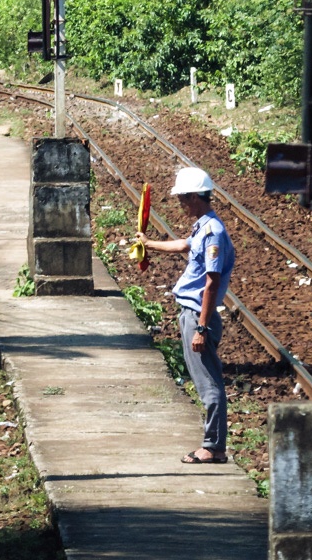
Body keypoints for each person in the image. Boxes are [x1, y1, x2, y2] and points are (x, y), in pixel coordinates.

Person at [131, 165, 235, 463]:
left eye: (182, 199)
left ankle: (214, 447)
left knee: (208, 383)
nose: (180, 204)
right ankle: (213, 444)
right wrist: (148, 244)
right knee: (206, 379)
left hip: (197, 316)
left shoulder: (213, 233)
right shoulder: (203, 225)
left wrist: (202, 328)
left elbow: (212, 282)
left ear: (194, 197)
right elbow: (183, 246)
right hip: (191, 313)